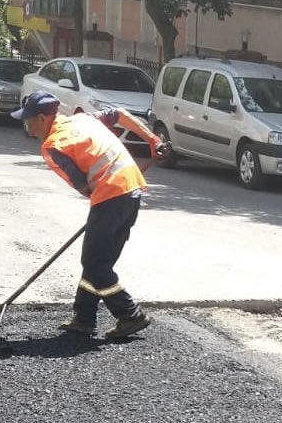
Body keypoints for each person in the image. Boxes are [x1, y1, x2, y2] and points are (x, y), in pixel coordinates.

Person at [11, 90, 169, 340]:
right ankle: (84, 318)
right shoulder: (82, 120)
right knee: (98, 260)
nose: (26, 125)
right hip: (131, 191)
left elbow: (83, 185)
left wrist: (102, 209)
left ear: (42, 118)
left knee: (95, 263)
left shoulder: (54, 145)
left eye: (28, 120)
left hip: (111, 196)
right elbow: (120, 114)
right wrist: (152, 140)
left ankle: (130, 314)